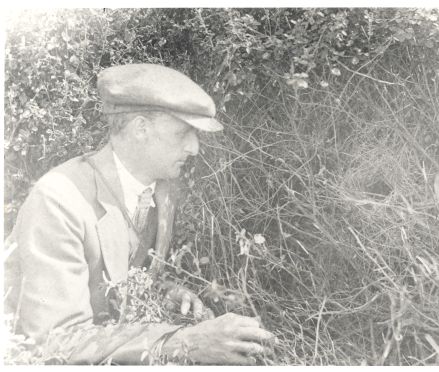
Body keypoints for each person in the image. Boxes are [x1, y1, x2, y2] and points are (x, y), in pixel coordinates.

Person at [4, 64, 275, 365]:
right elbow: (54, 344)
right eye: (184, 132)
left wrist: (163, 293)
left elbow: (126, 272)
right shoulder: (58, 201)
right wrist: (183, 341)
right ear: (141, 128)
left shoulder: (163, 192)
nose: (195, 147)